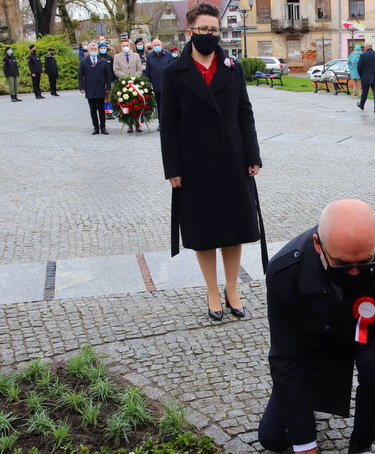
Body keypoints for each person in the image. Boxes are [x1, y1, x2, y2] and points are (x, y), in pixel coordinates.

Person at [258, 199, 375, 454]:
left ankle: (361, 443)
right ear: (318, 244)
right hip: (320, 343)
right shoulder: (284, 272)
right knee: (273, 438)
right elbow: (287, 357)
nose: (356, 273)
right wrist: (305, 445)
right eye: (343, 264)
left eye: (366, 262)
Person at [160, 1, 264, 322]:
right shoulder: (173, 73)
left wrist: (253, 155)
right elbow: (169, 124)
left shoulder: (232, 69)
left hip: (232, 160)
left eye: (214, 30)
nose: (209, 35)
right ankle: (212, 291)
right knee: (205, 231)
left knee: (234, 229)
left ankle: (232, 289)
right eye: (203, 29)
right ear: (190, 32)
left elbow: (245, 113)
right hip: (195, 165)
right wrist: (173, 168)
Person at [78, 42, 112, 135]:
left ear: (97, 50)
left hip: (100, 88)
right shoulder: (84, 61)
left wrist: (108, 87)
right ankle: (96, 127)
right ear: (88, 50)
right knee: (93, 109)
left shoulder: (102, 61)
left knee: (101, 109)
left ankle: (103, 127)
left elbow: (108, 75)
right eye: (92, 49)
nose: (93, 51)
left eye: (95, 49)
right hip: (90, 88)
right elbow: (80, 75)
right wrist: (81, 87)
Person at [113, 39, 144, 132]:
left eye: (127, 45)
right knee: (126, 104)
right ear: (121, 47)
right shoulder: (117, 57)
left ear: (130, 46)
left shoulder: (136, 56)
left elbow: (139, 68)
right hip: (124, 83)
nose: (125, 47)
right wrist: (126, 78)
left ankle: (138, 124)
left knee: (137, 103)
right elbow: (116, 70)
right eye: (124, 45)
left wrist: (134, 78)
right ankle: (129, 124)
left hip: (135, 83)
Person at [145, 38, 174, 131]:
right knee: (160, 106)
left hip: (168, 85)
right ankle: (161, 123)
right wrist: (148, 84)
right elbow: (148, 72)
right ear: (152, 47)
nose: (157, 47)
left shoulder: (168, 55)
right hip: (157, 85)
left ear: (162, 46)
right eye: (155, 45)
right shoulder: (149, 57)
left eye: (158, 45)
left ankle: (170, 122)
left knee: (169, 105)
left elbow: (173, 69)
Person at [356, 41, 375, 114]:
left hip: (365, 76)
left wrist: (361, 75)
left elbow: (359, 67)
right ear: (371, 46)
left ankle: (362, 104)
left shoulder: (363, 55)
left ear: (365, 47)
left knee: (364, 91)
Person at [98, 43, 115, 119]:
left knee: (110, 97)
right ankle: (105, 111)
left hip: (110, 79)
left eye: (104, 48)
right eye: (101, 48)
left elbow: (112, 69)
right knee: (104, 97)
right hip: (101, 80)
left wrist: (114, 78)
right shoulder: (98, 58)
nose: (103, 49)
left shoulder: (110, 58)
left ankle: (110, 112)